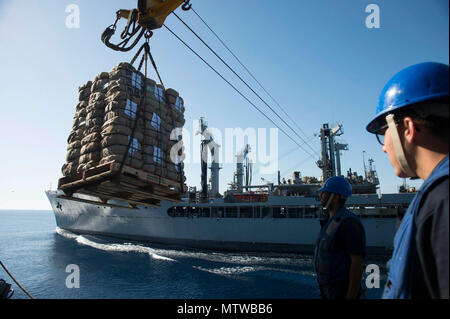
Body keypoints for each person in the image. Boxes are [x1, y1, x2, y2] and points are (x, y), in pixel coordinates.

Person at [366, 62, 449, 299]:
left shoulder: (442, 201)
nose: (383, 149)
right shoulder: (436, 196)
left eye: (383, 134)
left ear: (408, 128)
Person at [313, 176, 366, 299]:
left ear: (335, 197)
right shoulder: (330, 221)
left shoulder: (349, 223)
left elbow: (357, 263)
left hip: (340, 291)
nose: (321, 196)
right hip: (329, 290)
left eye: (324, 193)